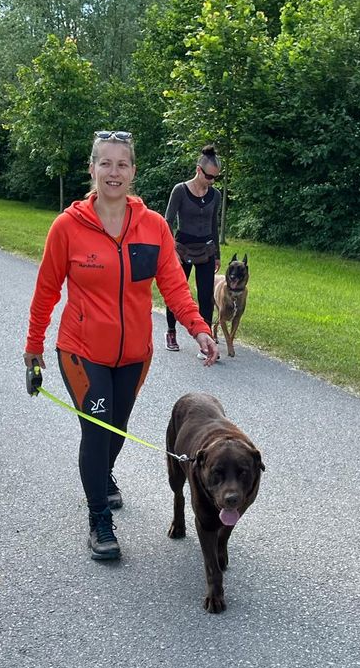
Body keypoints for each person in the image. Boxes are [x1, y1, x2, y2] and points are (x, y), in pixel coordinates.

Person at [23, 130, 219, 561]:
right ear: (92, 169)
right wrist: (33, 345)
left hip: (133, 355)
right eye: (105, 163)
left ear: (133, 171)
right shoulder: (68, 227)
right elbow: (47, 290)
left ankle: (102, 475)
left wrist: (199, 328)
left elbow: (173, 284)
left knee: (117, 429)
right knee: (97, 430)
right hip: (82, 350)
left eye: (122, 164)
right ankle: (99, 520)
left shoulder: (152, 227)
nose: (114, 172)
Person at [163, 144, 222, 355]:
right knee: (177, 293)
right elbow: (167, 221)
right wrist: (171, 249)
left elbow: (214, 225)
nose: (212, 181)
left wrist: (217, 255)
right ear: (198, 169)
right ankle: (171, 331)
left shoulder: (215, 195)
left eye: (215, 177)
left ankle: (205, 341)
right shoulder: (180, 190)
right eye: (209, 176)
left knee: (206, 296)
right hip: (183, 249)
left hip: (206, 249)